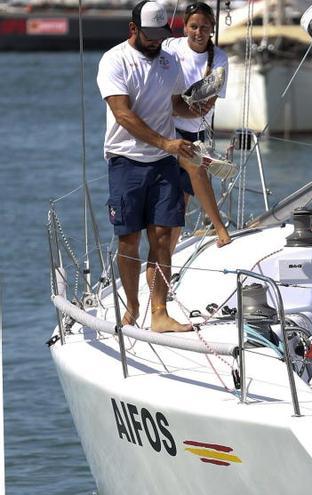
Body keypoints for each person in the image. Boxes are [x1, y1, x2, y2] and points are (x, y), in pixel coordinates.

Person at [97, 1, 208, 332]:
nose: (157, 41)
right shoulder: (114, 61)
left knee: (162, 238)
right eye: (150, 35)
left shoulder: (168, 61)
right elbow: (123, 114)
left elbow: (174, 104)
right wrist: (166, 143)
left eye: (162, 35)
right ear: (133, 30)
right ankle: (132, 307)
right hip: (125, 161)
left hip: (162, 163)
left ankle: (159, 312)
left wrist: (196, 108)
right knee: (128, 239)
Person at [163, 2, 231, 249]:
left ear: (212, 28)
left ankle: (168, 252)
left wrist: (180, 104)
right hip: (169, 130)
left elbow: (205, 106)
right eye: (193, 26)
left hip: (197, 131)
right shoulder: (170, 47)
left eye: (204, 27)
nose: (198, 32)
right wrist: (179, 104)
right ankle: (221, 229)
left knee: (180, 203)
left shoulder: (220, 58)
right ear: (185, 27)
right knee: (196, 168)